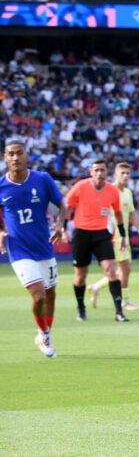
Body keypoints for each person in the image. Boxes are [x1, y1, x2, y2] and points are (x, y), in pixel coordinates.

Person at [0, 139, 67, 357]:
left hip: (44, 246)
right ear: (5, 157)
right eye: (11, 154)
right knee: (38, 296)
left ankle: (45, 332)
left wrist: (60, 224)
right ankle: (44, 334)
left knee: (51, 295)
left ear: (27, 155)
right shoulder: (1, 186)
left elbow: (62, 204)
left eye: (19, 153)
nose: (15, 158)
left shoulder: (42, 179)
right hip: (19, 250)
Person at [65, 158, 130, 322]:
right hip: (81, 233)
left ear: (107, 172)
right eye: (96, 170)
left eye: (103, 170)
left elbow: (117, 213)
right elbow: (67, 205)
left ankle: (119, 312)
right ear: (91, 172)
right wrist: (64, 228)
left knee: (111, 270)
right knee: (80, 275)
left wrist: (122, 234)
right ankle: (81, 308)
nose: (100, 173)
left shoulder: (112, 190)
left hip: (101, 233)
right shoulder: (81, 186)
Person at [86, 163, 139, 312]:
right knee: (124, 268)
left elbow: (132, 212)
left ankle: (96, 287)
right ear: (115, 175)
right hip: (114, 236)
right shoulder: (109, 191)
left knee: (123, 270)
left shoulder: (127, 192)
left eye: (127, 173)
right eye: (122, 173)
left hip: (124, 235)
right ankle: (124, 301)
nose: (125, 176)